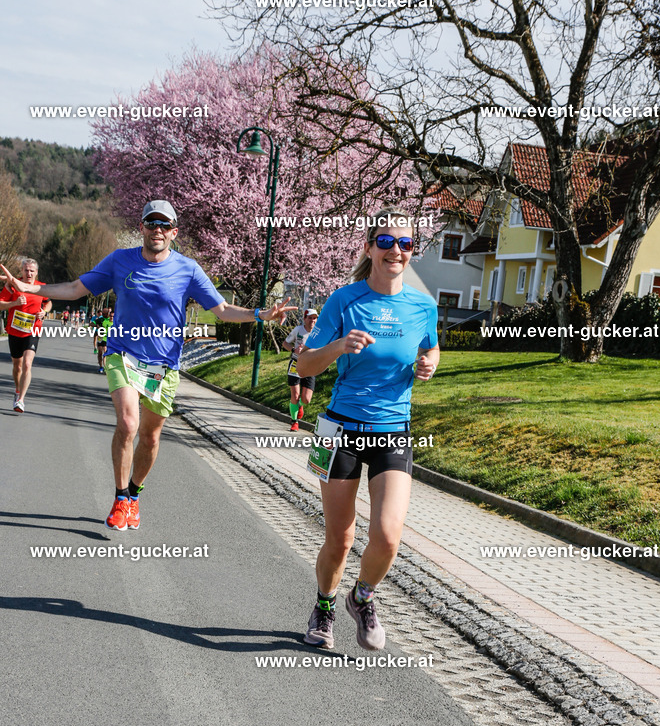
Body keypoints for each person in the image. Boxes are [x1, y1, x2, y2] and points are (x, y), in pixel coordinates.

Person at [1, 199, 293, 530]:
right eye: (151, 223)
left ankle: (135, 496)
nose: (157, 230)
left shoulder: (188, 269)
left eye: (164, 225)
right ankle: (120, 497)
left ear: (174, 232)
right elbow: (74, 288)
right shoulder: (120, 261)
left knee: (151, 438)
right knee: (128, 423)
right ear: (141, 227)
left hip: (163, 365)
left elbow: (223, 310)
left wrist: (260, 314)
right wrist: (30, 287)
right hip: (122, 354)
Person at [296, 208, 439, 652]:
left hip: (393, 429)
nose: (396, 250)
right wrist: (339, 345)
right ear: (369, 247)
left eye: (406, 243)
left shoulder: (424, 305)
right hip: (337, 428)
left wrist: (429, 365)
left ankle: (362, 597)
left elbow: (432, 350)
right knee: (340, 537)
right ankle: (324, 606)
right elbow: (303, 363)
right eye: (386, 242)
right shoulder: (345, 299)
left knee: (389, 535)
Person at [0, 257, 51, 413]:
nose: (29, 273)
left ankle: (21, 400)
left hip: (33, 329)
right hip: (15, 330)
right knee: (17, 366)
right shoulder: (12, 286)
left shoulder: (41, 287)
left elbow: (48, 302)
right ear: (21, 271)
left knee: (28, 364)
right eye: (26, 270)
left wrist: (44, 312)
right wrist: (14, 303)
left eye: (32, 271)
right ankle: (17, 389)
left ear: (36, 272)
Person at [281, 307, 318, 431]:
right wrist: (293, 350)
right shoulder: (298, 330)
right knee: (295, 394)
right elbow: (285, 343)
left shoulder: (318, 333)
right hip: (296, 364)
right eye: (310, 318)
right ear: (304, 319)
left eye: (314, 318)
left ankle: (300, 406)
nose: (312, 320)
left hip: (311, 365)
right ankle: (294, 421)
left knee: (306, 399)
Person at [92, 305, 113, 373]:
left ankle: (105, 367)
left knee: (105, 352)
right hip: (101, 338)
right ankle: (101, 367)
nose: (103, 315)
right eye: (102, 314)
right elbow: (91, 324)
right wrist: (96, 325)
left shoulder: (111, 320)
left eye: (104, 314)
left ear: (108, 314)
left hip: (108, 339)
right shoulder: (100, 319)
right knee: (100, 352)